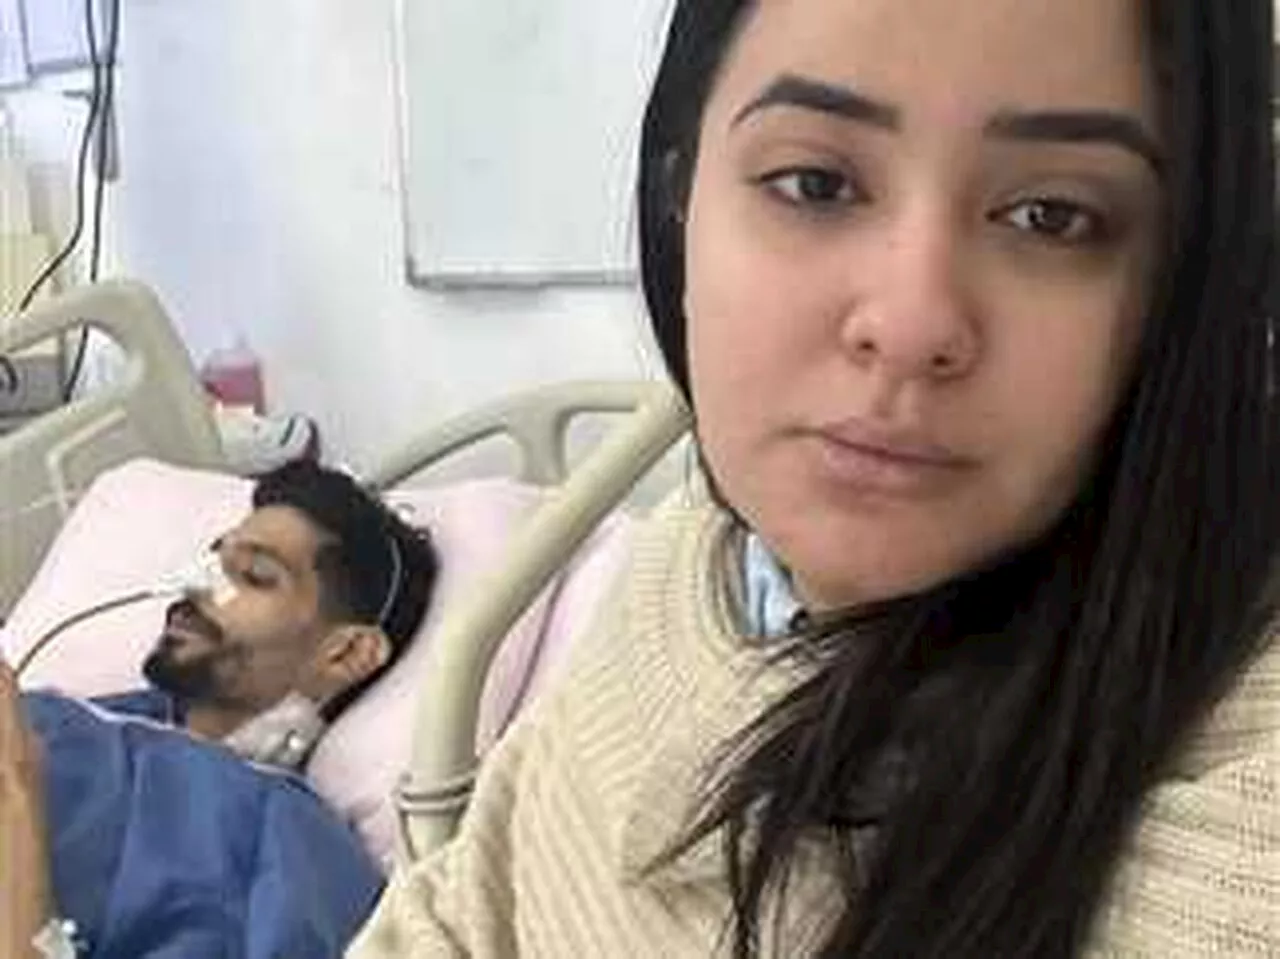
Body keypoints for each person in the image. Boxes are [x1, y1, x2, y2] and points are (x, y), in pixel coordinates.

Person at [349, 0, 1280, 956]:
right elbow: (459, 912)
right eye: (816, 184)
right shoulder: (698, 554)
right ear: (681, 191)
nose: (911, 324)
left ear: (1186, 276)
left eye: (1052, 216)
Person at [1, 460, 438, 959]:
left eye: (253, 576)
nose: (199, 586)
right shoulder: (75, 716)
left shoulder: (286, 846)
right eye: (212, 563)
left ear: (346, 653)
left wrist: (16, 806)